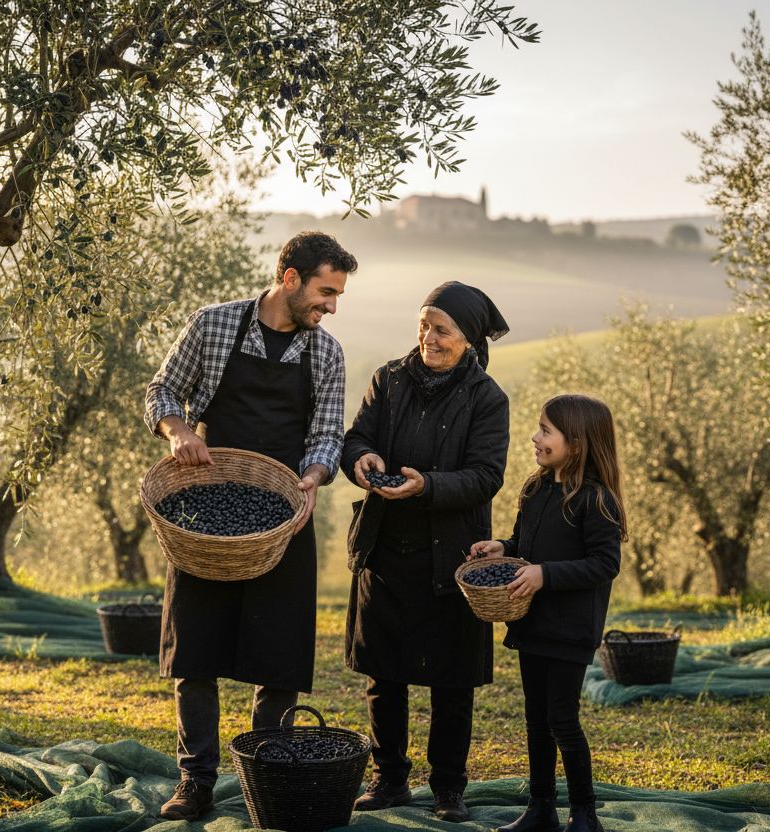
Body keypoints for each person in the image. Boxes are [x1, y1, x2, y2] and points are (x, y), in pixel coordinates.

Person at [143, 231, 356, 821]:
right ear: (289, 278)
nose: (331, 307)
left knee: (278, 654)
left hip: (283, 515)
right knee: (195, 650)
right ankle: (197, 781)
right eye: (324, 292)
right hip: (208, 509)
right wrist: (179, 431)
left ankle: (268, 771)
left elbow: (327, 436)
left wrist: (314, 476)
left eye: (337, 295)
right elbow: (162, 390)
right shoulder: (214, 326)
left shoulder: (325, 353)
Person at [342, 281, 510, 823]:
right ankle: (389, 779)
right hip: (386, 550)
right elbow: (355, 438)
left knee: (451, 681)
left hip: (452, 559)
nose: (427, 338)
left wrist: (427, 486)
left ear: (469, 340)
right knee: (382, 677)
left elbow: (487, 476)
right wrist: (363, 458)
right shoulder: (388, 379)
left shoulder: (488, 399)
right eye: (423, 325)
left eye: (441, 330)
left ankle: (448, 789)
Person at [469, 393, 625, 832]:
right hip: (532, 623)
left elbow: (604, 564)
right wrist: (503, 547)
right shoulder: (536, 489)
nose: (535, 438)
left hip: (570, 632)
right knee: (536, 720)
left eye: (545, 430)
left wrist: (545, 576)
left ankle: (584, 813)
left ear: (576, 443)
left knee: (562, 720)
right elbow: (525, 546)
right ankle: (541, 811)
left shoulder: (595, 501)